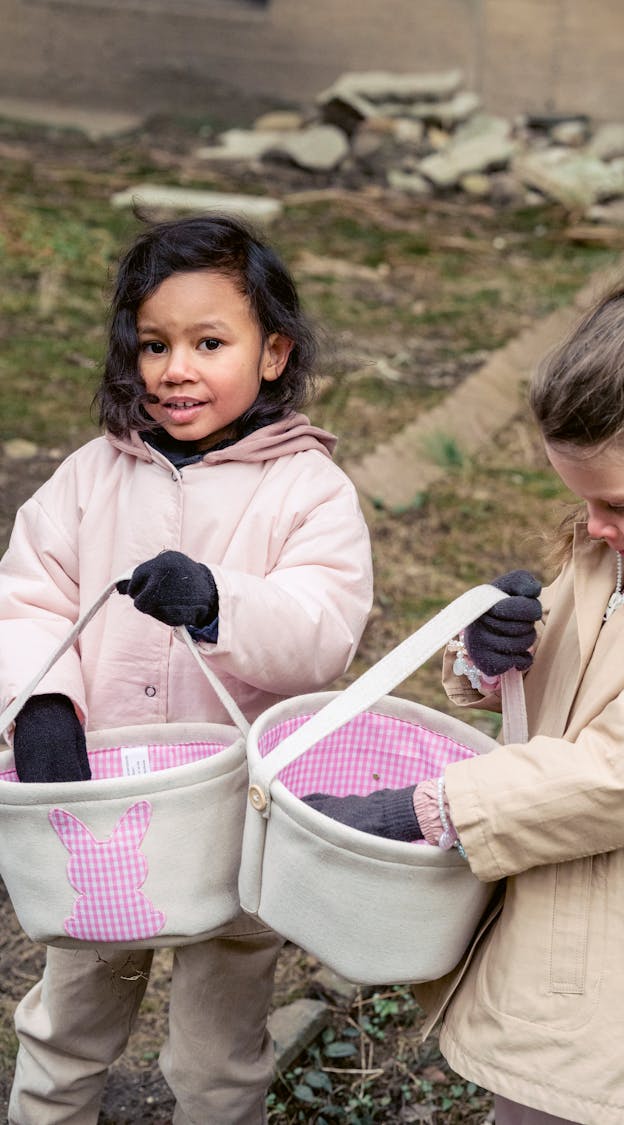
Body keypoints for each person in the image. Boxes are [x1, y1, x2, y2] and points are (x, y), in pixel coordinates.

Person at [304, 278, 624, 1125]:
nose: (593, 524)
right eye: (581, 499)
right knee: (527, 1097)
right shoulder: (617, 556)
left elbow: (613, 776)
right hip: (556, 911)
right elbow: (562, 681)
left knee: (563, 1100)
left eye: (616, 502)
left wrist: (424, 808)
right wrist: (491, 654)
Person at [0, 212, 373, 1124]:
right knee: (69, 1018)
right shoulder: (93, 477)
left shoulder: (307, 489)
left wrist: (218, 604)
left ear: (274, 353)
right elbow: (26, 601)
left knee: (218, 1046)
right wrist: (43, 704)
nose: (177, 369)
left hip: (237, 814)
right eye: (154, 344)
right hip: (103, 806)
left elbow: (322, 626)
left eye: (211, 342)